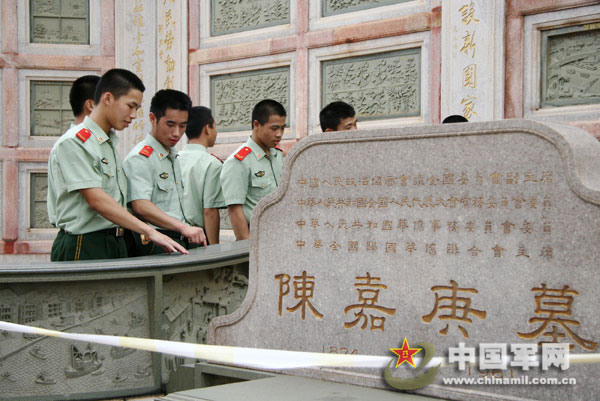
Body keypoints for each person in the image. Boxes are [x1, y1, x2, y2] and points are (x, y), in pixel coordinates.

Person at [47, 69, 187, 261]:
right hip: (84, 244)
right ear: (108, 98)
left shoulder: (107, 143)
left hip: (115, 241)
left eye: (137, 108)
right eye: (130, 106)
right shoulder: (75, 142)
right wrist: (150, 231)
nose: (134, 115)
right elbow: (97, 200)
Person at [123, 89, 207, 255]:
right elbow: (140, 205)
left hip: (181, 239)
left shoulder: (172, 156)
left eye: (182, 126)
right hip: (156, 243)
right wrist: (183, 227)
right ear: (152, 118)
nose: (177, 133)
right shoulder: (141, 157)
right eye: (170, 125)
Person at [220, 99, 286, 240]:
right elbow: (235, 210)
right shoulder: (239, 161)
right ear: (256, 125)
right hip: (257, 236)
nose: (279, 134)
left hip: (281, 234)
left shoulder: (278, 155)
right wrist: (248, 247)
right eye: (274, 128)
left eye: (282, 128)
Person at [179, 106, 225, 245]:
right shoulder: (212, 164)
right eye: (215, 126)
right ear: (207, 128)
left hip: (171, 236)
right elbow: (209, 211)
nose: (216, 132)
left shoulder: (174, 159)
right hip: (196, 239)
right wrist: (214, 247)